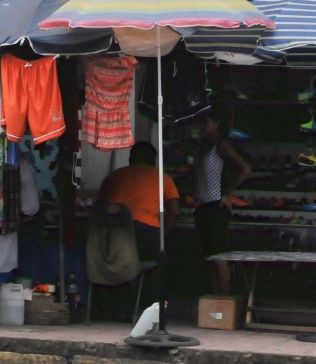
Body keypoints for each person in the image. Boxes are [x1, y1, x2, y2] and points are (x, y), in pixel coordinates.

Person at [190, 111, 252, 296]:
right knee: (209, 257)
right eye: (200, 122)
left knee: (219, 256)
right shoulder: (202, 146)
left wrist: (227, 192)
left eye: (206, 122)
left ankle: (224, 301)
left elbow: (245, 169)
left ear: (216, 122)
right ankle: (214, 300)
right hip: (201, 204)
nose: (202, 126)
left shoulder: (222, 145)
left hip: (217, 203)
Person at [97, 141, 180, 264]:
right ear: (154, 161)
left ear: (130, 159)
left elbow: (100, 208)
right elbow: (174, 212)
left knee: (117, 269)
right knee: (151, 267)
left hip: (116, 231)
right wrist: (161, 236)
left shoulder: (113, 176)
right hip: (147, 232)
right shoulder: (164, 178)